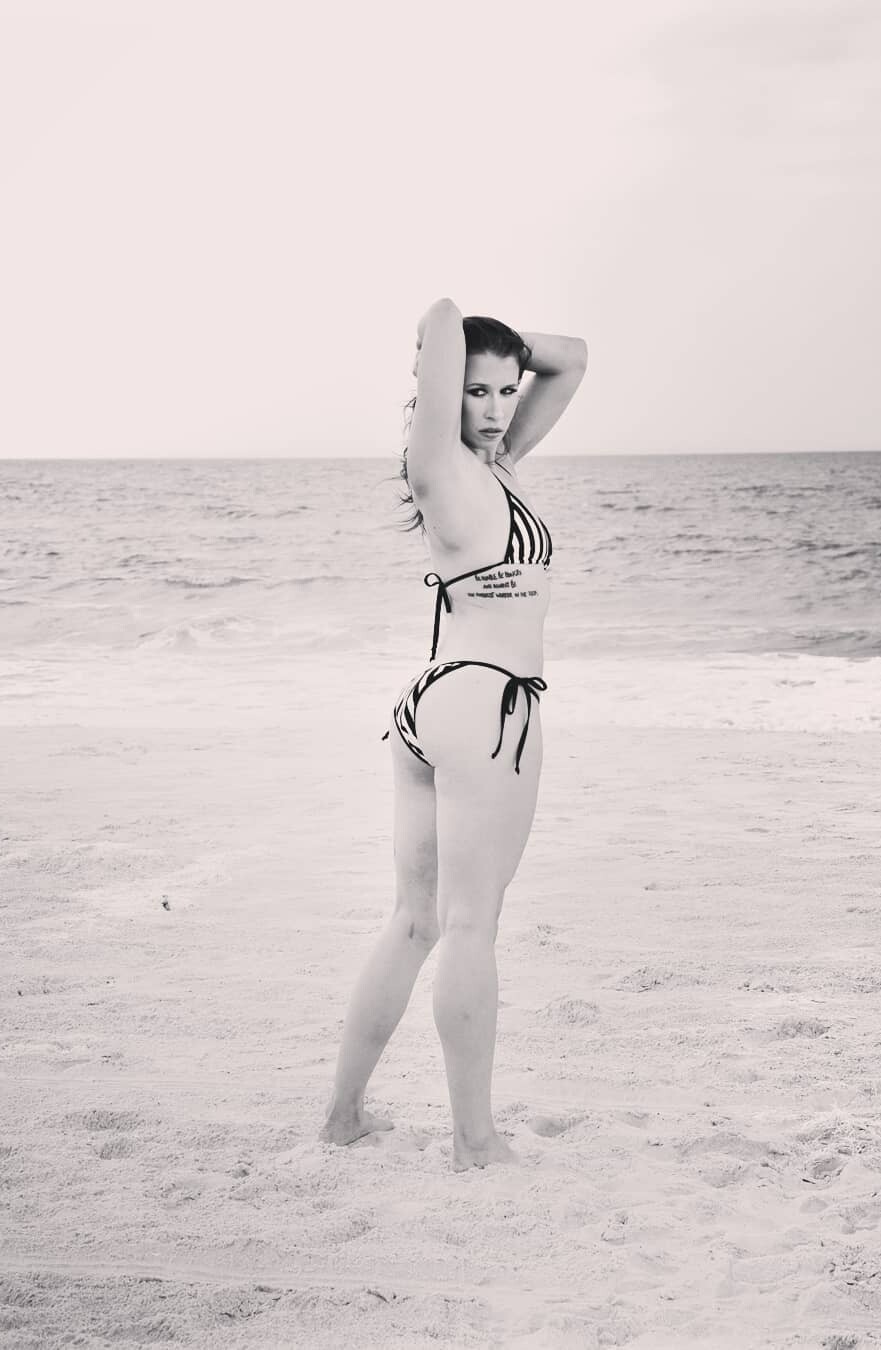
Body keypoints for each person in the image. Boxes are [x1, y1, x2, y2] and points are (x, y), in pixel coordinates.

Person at [320, 297, 588, 1171]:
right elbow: (440, 313)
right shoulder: (435, 462)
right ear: (439, 391)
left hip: (437, 701)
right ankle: (475, 1140)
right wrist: (446, 346)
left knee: (415, 922)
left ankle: (344, 1118)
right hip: (486, 706)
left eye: (508, 389)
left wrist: (500, 351)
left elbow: (573, 357)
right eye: (476, 391)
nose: (498, 407)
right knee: (470, 926)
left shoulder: (492, 466)